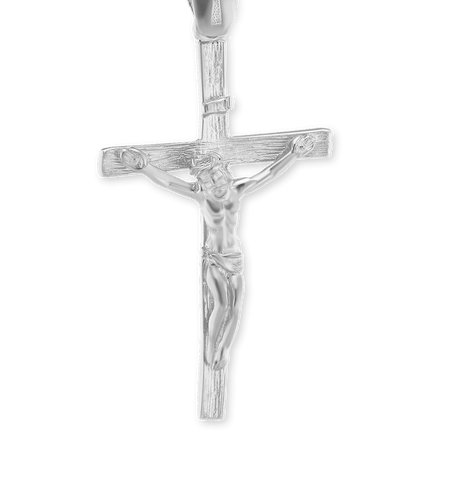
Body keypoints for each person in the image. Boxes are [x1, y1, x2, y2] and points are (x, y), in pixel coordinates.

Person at [120, 134, 316, 370]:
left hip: (235, 258)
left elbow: (269, 174)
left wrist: (292, 154)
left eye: (218, 176)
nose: (216, 183)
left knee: (236, 307)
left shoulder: (237, 190)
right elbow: (169, 183)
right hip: (214, 257)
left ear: (226, 173)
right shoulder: (202, 195)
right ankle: (210, 346)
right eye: (209, 180)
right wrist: (145, 167)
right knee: (221, 304)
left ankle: (224, 349)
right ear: (203, 183)